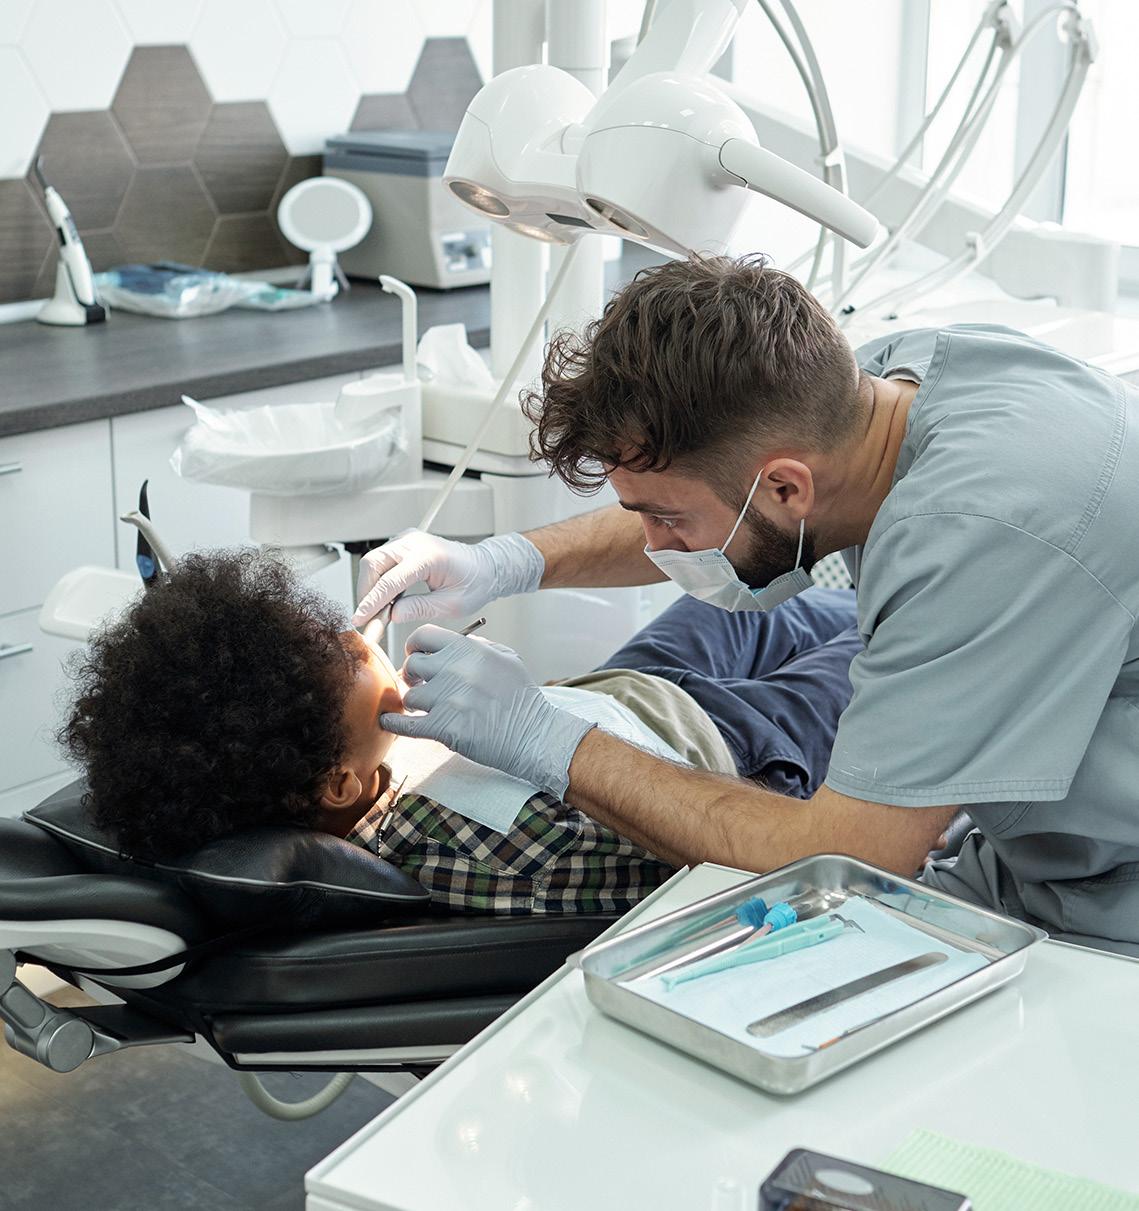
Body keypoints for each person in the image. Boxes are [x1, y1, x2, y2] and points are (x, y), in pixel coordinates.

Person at [353, 253, 1139, 954]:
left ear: (788, 487)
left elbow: (846, 856)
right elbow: (712, 501)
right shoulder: (878, 390)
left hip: (1110, 901)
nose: (657, 546)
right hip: (1031, 852)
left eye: (666, 521)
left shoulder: (978, 534)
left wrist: (549, 739)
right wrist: (507, 561)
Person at [60, 548, 859, 914]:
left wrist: (503, 563)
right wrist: (537, 731)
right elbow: (697, 852)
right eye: (335, 656)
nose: (348, 633)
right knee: (874, 637)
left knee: (745, 592)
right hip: (727, 746)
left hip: (625, 688)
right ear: (337, 781)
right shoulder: (484, 845)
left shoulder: (359, 779)